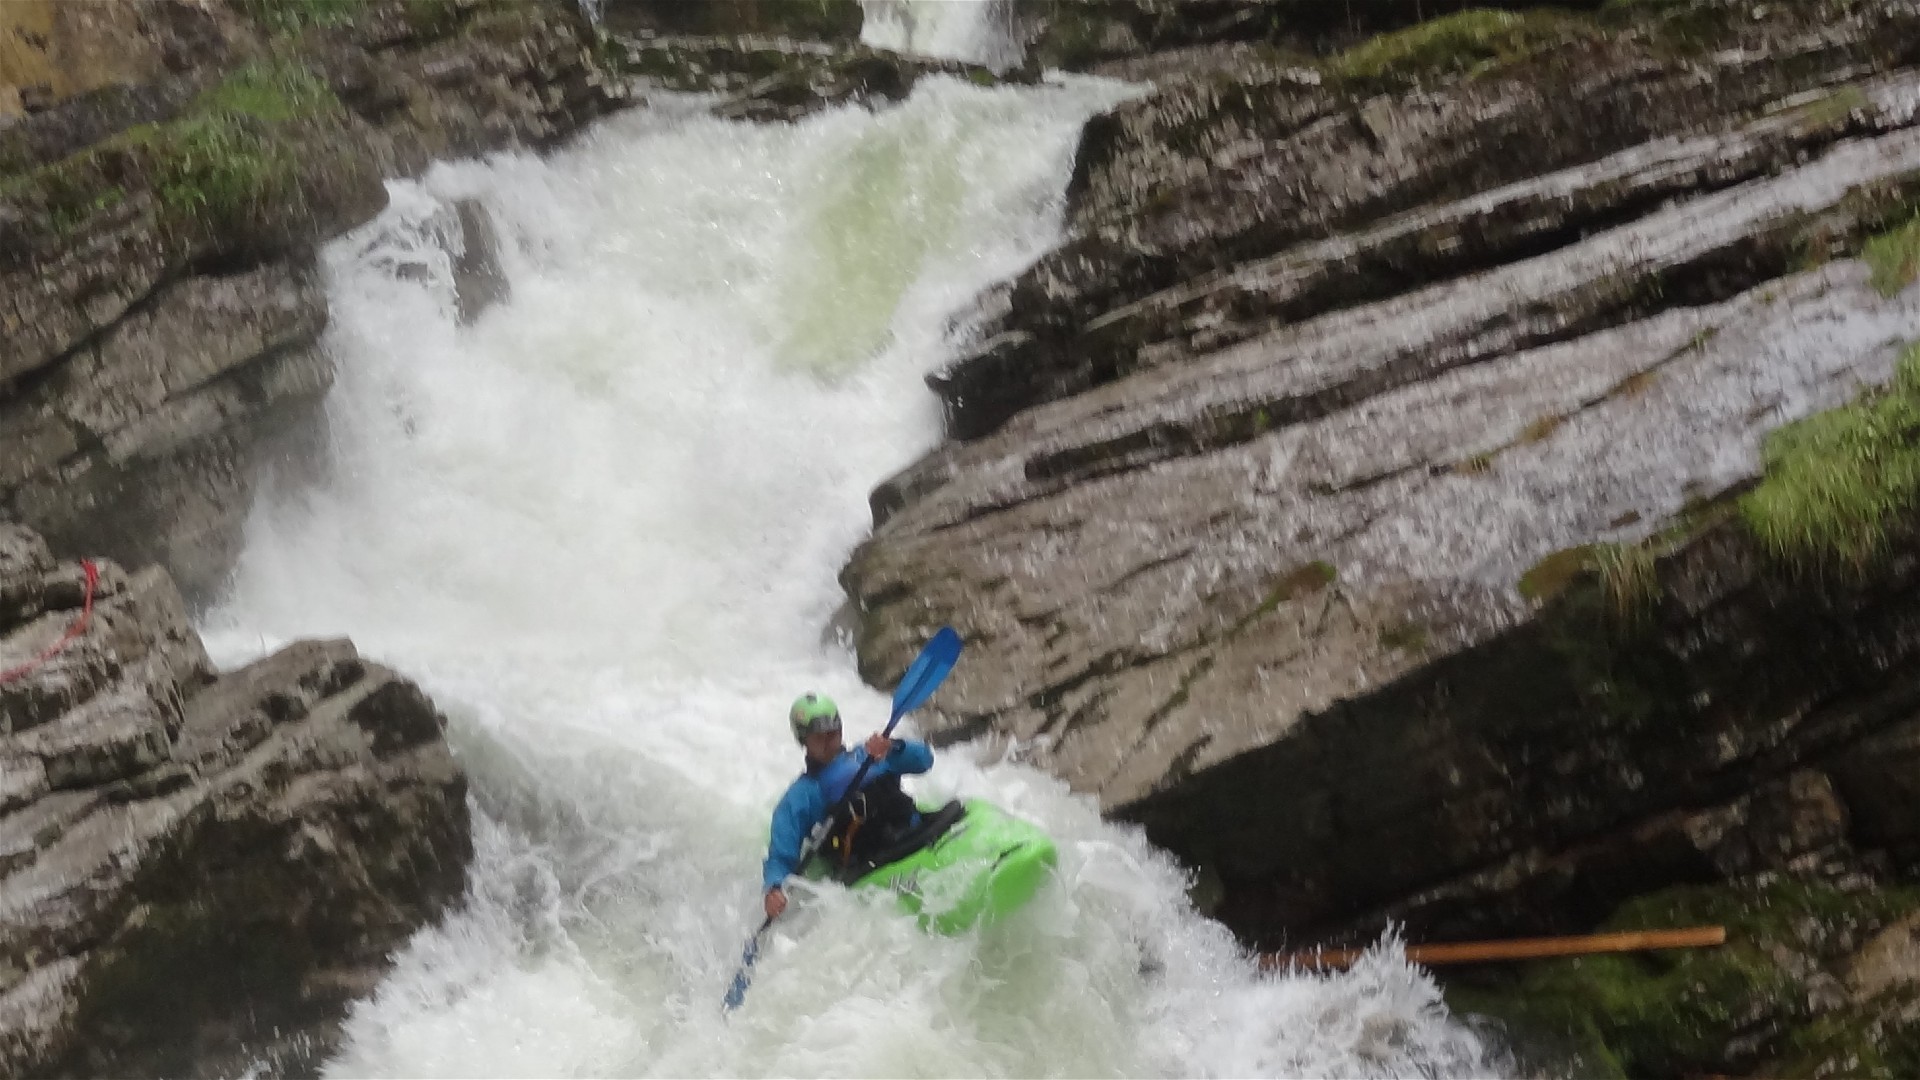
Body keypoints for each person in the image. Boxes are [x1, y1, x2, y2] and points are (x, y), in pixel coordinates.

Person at [761, 691, 933, 920]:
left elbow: (924, 761)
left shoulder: (871, 753)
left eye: (833, 733)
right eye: (818, 736)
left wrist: (893, 747)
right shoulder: (801, 796)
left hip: (915, 834)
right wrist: (774, 888)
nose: (828, 741)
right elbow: (781, 855)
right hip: (872, 863)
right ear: (804, 741)